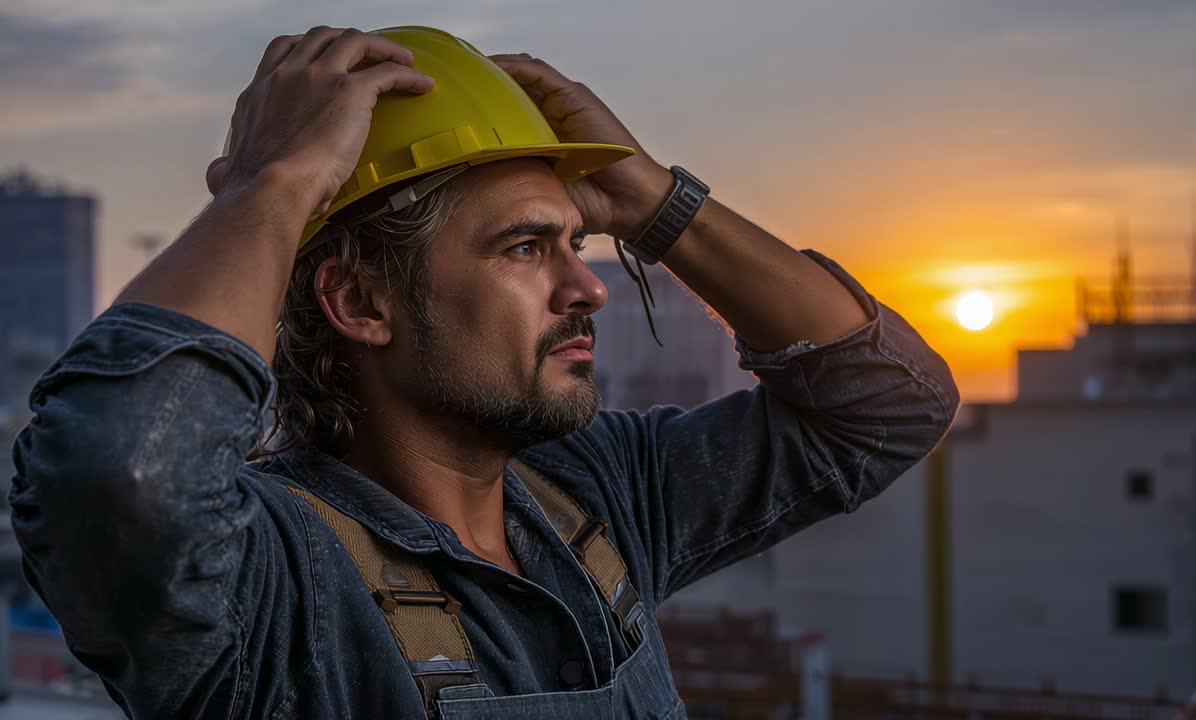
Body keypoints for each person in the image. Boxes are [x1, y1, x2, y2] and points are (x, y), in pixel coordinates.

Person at [8, 25, 958, 720]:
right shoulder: (270, 581)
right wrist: (280, 183)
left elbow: (885, 406)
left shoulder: (596, 494)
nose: (589, 286)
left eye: (580, 241)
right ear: (361, 304)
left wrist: (655, 199)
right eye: (524, 247)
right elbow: (120, 470)